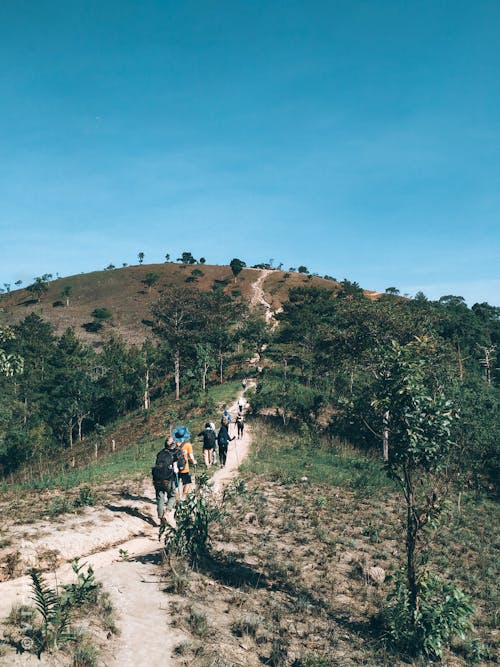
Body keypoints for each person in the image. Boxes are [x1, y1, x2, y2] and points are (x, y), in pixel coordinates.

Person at [152, 436, 183, 525]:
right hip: (168, 479)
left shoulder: (160, 453)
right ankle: (167, 512)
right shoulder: (174, 454)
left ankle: (161, 517)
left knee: (160, 497)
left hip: (157, 479)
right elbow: (179, 467)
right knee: (172, 496)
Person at [174, 427, 197, 499]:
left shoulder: (174, 444)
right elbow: (191, 456)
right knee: (187, 483)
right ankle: (184, 497)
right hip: (185, 468)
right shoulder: (188, 445)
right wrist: (194, 461)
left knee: (175, 484)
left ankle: (177, 498)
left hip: (175, 467)